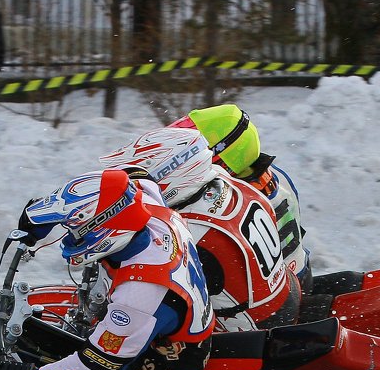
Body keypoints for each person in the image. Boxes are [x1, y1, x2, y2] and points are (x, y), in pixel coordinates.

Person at [0, 169, 214, 370]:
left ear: (105, 230)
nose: (70, 237)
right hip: (169, 310)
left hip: (171, 357)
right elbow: (130, 179)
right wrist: (40, 217)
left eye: (76, 230)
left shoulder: (139, 295)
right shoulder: (147, 205)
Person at [99, 128, 301, 331]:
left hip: (248, 327)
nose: (137, 187)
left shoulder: (187, 230)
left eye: (141, 178)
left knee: (144, 312)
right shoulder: (226, 181)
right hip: (284, 294)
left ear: (169, 175)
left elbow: (150, 280)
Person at [168, 104, 309, 290]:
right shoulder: (277, 175)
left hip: (278, 291)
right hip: (300, 270)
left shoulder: (234, 198)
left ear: (224, 154)